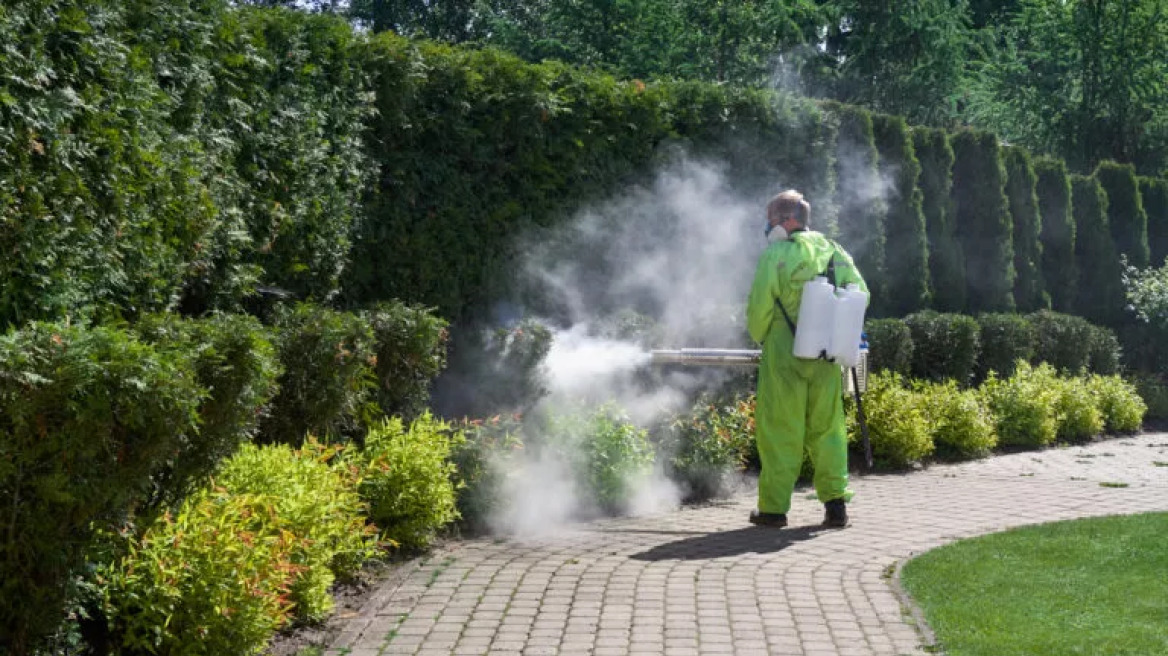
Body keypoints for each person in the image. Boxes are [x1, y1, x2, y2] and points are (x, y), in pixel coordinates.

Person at [746, 190, 868, 528]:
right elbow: (861, 293)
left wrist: (762, 338)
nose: (768, 226)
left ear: (786, 221)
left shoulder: (776, 254)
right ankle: (835, 506)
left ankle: (773, 510)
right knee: (828, 430)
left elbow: (759, 308)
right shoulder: (836, 251)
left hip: (785, 355)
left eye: (771, 219)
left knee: (781, 430)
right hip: (826, 355)